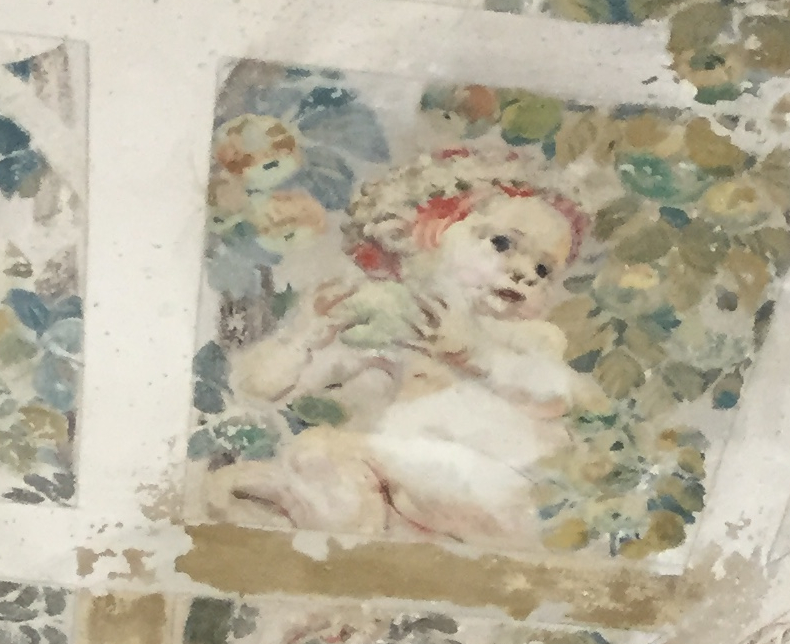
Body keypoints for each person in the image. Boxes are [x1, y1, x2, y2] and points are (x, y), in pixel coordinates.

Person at [216, 154, 602, 546]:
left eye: (543, 270)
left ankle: (340, 549)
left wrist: (474, 353)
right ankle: (358, 558)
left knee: (321, 451)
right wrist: (303, 337)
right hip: (419, 501)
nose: (523, 273)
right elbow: (259, 387)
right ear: (427, 231)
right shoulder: (391, 319)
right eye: (502, 244)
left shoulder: (524, 337)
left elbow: (558, 397)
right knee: (322, 467)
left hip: (504, 498)